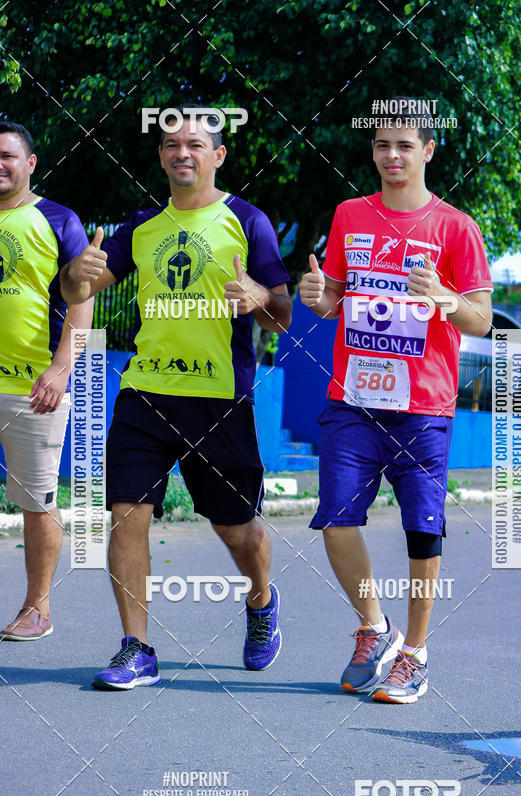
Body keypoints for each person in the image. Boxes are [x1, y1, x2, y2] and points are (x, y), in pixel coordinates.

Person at [61, 108, 291, 689]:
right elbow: (79, 288)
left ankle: (262, 603)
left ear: (217, 155)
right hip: (145, 395)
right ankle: (136, 647)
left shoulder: (248, 220)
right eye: (169, 144)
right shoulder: (140, 227)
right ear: (160, 156)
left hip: (218, 401)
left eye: (194, 143)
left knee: (236, 529)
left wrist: (258, 294)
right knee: (126, 517)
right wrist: (76, 273)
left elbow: (282, 317)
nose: (180, 152)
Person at [299, 97, 493, 703]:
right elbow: (334, 299)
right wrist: (315, 295)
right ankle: (373, 628)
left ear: (429, 150)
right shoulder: (350, 214)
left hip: (423, 405)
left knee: (422, 531)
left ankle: (415, 653)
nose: (391, 156)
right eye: (382, 145)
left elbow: (483, 321)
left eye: (405, 145)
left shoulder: (456, 227)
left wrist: (443, 295)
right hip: (353, 397)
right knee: (335, 520)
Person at [0, 121, 93, 640]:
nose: (0, 163)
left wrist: (60, 370)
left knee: (36, 502)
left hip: (31, 390)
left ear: (30, 163)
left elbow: (83, 303)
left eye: (8, 155)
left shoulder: (57, 220)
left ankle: (38, 609)